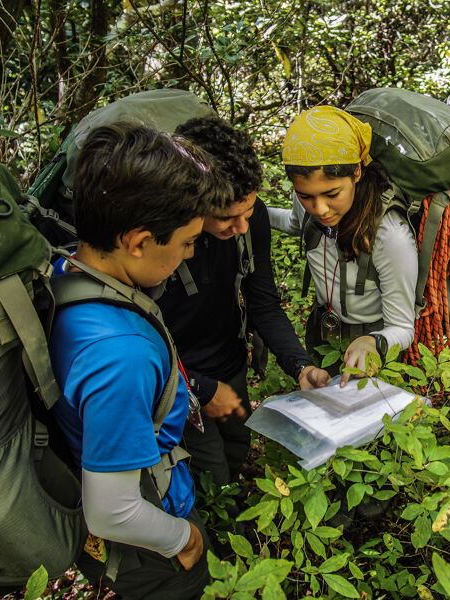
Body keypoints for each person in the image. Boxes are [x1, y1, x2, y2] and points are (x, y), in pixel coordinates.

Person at [49, 122, 232, 600]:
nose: (190, 254)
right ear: (137, 241)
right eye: (188, 241)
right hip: (148, 547)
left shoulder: (66, 269)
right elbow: (112, 510)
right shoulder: (121, 354)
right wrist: (183, 539)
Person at [157, 116, 331, 488]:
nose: (240, 226)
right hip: (175, 380)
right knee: (210, 477)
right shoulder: (158, 242)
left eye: (248, 211)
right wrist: (198, 390)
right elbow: (138, 337)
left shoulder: (252, 223)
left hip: (230, 363)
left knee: (236, 450)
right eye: (225, 218)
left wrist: (300, 366)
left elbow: (263, 301)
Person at [268, 106, 419, 386]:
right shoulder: (311, 202)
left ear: (357, 172)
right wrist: (252, 212)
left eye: (332, 194)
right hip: (323, 326)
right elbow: (293, 223)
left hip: (371, 339)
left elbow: (402, 327)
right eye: (305, 196)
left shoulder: (389, 235)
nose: (320, 209)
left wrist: (374, 343)